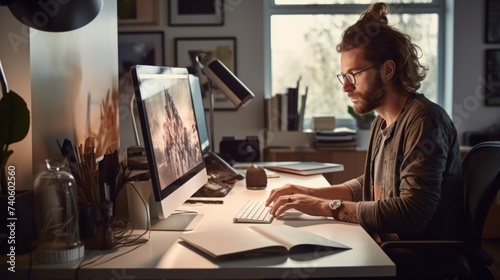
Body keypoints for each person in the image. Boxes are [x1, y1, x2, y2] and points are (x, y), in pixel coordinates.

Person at [266, 2, 464, 251]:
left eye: (354, 74)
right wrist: (307, 192)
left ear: (388, 70)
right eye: (343, 76)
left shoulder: (424, 121)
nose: (345, 87)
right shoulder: (382, 121)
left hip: (422, 260)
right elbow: (370, 184)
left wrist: (323, 207)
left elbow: (412, 213)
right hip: (390, 250)